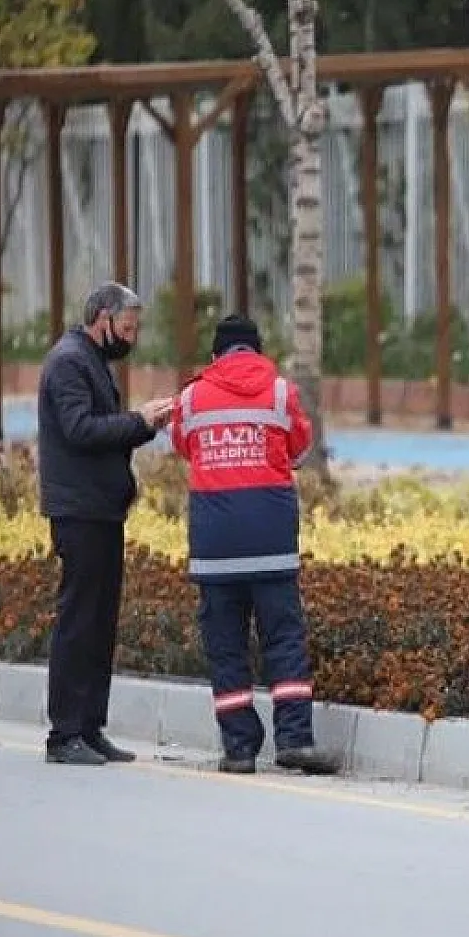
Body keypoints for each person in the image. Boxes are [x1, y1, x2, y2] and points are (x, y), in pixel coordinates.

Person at [168, 313, 339, 776]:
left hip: (215, 545)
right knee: (283, 639)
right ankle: (295, 742)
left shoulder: (191, 397)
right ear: (258, 350)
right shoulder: (282, 391)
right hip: (271, 541)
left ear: (215, 355)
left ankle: (239, 749)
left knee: (226, 646)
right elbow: (300, 452)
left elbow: (182, 446)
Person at [36, 281, 174, 766]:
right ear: (103, 320)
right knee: (79, 620)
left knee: (101, 621)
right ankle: (64, 733)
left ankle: (90, 726)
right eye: (128, 328)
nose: (132, 338)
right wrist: (139, 421)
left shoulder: (94, 362)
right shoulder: (69, 362)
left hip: (101, 508)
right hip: (79, 511)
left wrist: (143, 424)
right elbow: (80, 430)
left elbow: (101, 431)